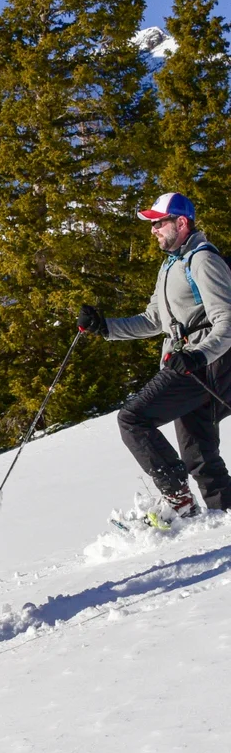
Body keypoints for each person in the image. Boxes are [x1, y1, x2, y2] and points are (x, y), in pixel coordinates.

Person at [78, 191, 231, 518]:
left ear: (181, 222)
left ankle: (177, 500)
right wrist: (106, 327)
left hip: (200, 366)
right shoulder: (171, 265)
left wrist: (197, 357)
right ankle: (222, 519)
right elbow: (154, 320)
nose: (153, 230)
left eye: (158, 223)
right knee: (200, 456)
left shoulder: (203, 260)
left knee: (132, 418)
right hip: (189, 363)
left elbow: (227, 323)